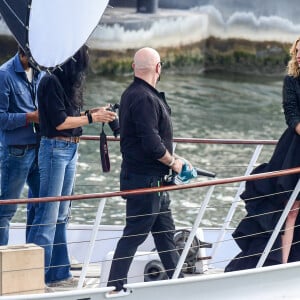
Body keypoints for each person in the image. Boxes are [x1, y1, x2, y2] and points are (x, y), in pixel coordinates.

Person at [26, 45, 116, 288]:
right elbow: (60, 121)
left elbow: (69, 115)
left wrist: (93, 112)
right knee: (48, 215)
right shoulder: (50, 81)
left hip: (70, 148)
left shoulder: (67, 83)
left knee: (61, 216)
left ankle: (58, 273)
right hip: (55, 149)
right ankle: (32, 276)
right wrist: (91, 118)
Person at [107, 47, 190, 293]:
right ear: (158, 68)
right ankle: (114, 287)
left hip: (155, 182)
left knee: (165, 234)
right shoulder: (143, 97)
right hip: (145, 182)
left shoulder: (135, 94)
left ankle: (180, 285)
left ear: (134, 68)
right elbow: (151, 142)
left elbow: (141, 138)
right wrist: (174, 162)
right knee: (134, 234)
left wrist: (172, 159)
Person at [225, 37, 300, 272]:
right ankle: (284, 266)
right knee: (291, 210)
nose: (298, 55)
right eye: (296, 51)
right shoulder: (291, 80)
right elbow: (292, 116)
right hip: (294, 150)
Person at [0, 46, 42, 245]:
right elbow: (1, 119)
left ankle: (32, 255)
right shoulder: (4, 74)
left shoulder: (40, 70)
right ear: (22, 53)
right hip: (16, 151)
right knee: (6, 210)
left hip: (40, 149)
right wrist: (30, 117)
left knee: (42, 204)